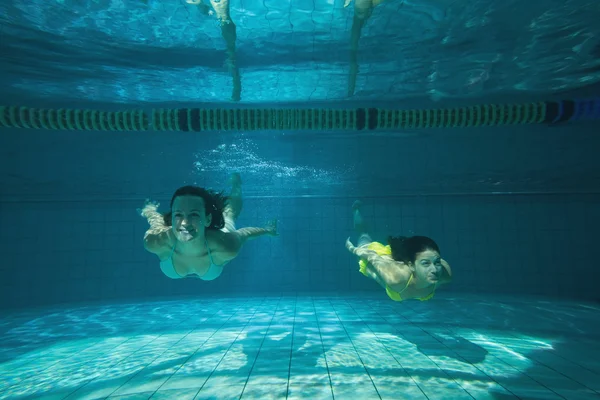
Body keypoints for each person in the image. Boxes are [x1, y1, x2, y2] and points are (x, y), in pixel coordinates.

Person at [140, 173, 277, 280]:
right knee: (157, 220)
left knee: (229, 215)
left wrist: (267, 230)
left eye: (194, 215)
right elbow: (156, 223)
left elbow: (244, 233)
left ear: (207, 219)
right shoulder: (156, 241)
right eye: (178, 215)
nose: (184, 223)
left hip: (214, 242)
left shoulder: (225, 246)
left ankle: (236, 185)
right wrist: (150, 212)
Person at [345, 201, 452, 301]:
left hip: (398, 261)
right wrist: (352, 249)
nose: (434, 270)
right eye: (425, 263)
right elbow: (372, 256)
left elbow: (430, 254)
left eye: (437, 262)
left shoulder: (444, 274)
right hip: (377, 257)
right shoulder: (396, 279)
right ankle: (356, 210)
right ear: (411, 266)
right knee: (364, 235)